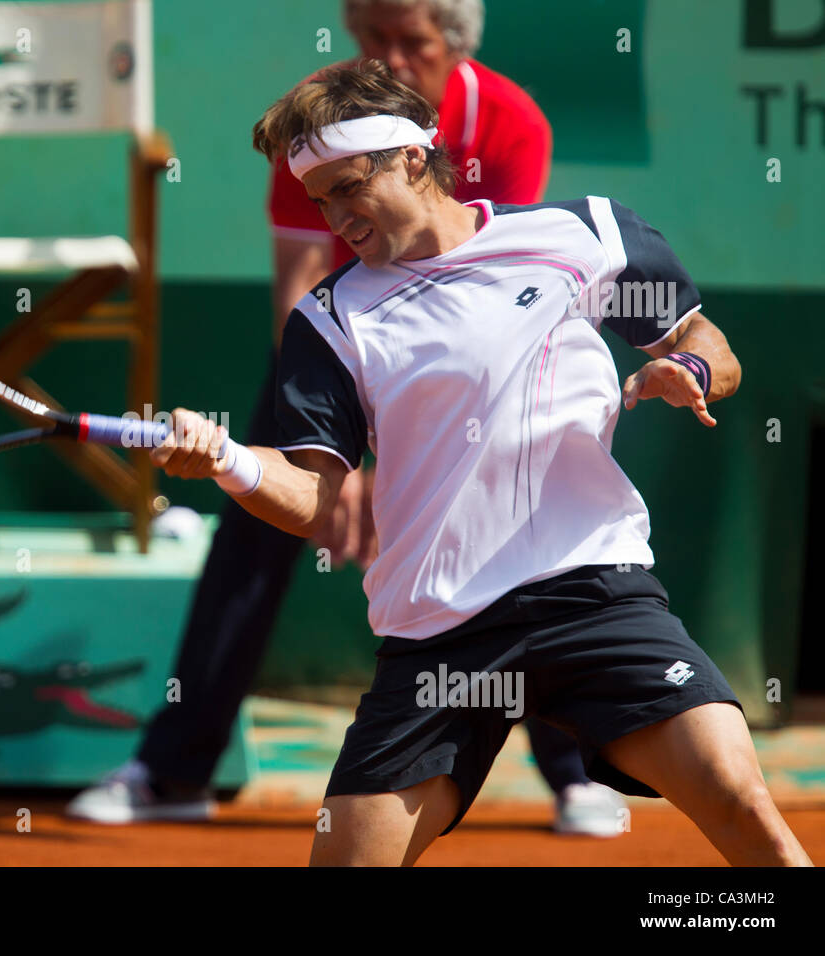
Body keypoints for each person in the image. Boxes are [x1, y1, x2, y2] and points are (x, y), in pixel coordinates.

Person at [141, 59, 814, 867]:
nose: (336, 216)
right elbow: (320, 500)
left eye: (349, 186)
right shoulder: (330, 322)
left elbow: (708, 345)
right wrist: (226, 459)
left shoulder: (585, 238)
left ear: (415, 160)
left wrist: (693, 370)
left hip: (595, 595)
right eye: (319, 199)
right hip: (441, 633)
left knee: (744, 806)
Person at [69, 0, 621, 837]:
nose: (391, 59)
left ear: (455, 45)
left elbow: (507, 281)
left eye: (413, 42)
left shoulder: (510, 121)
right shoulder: (317, 118)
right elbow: (297, 278)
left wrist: (400, 439)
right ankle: (175, 768)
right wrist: (333, 432)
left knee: (527, 531)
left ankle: (574, 774)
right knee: (251, 536)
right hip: (339, 339)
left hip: (474, 356)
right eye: (374, 40)